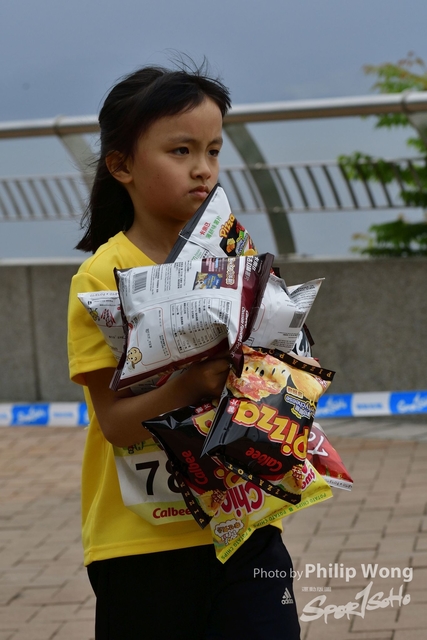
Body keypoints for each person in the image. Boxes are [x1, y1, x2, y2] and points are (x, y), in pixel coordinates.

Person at [68, 63, 301, 640]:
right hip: (141, 547)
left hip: (244, 525)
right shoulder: (102, 275)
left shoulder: (231, 255)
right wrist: (190, 384)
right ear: (121, 165)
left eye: (213, 150)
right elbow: (116, 425)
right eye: (181, 150)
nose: (203, 168)